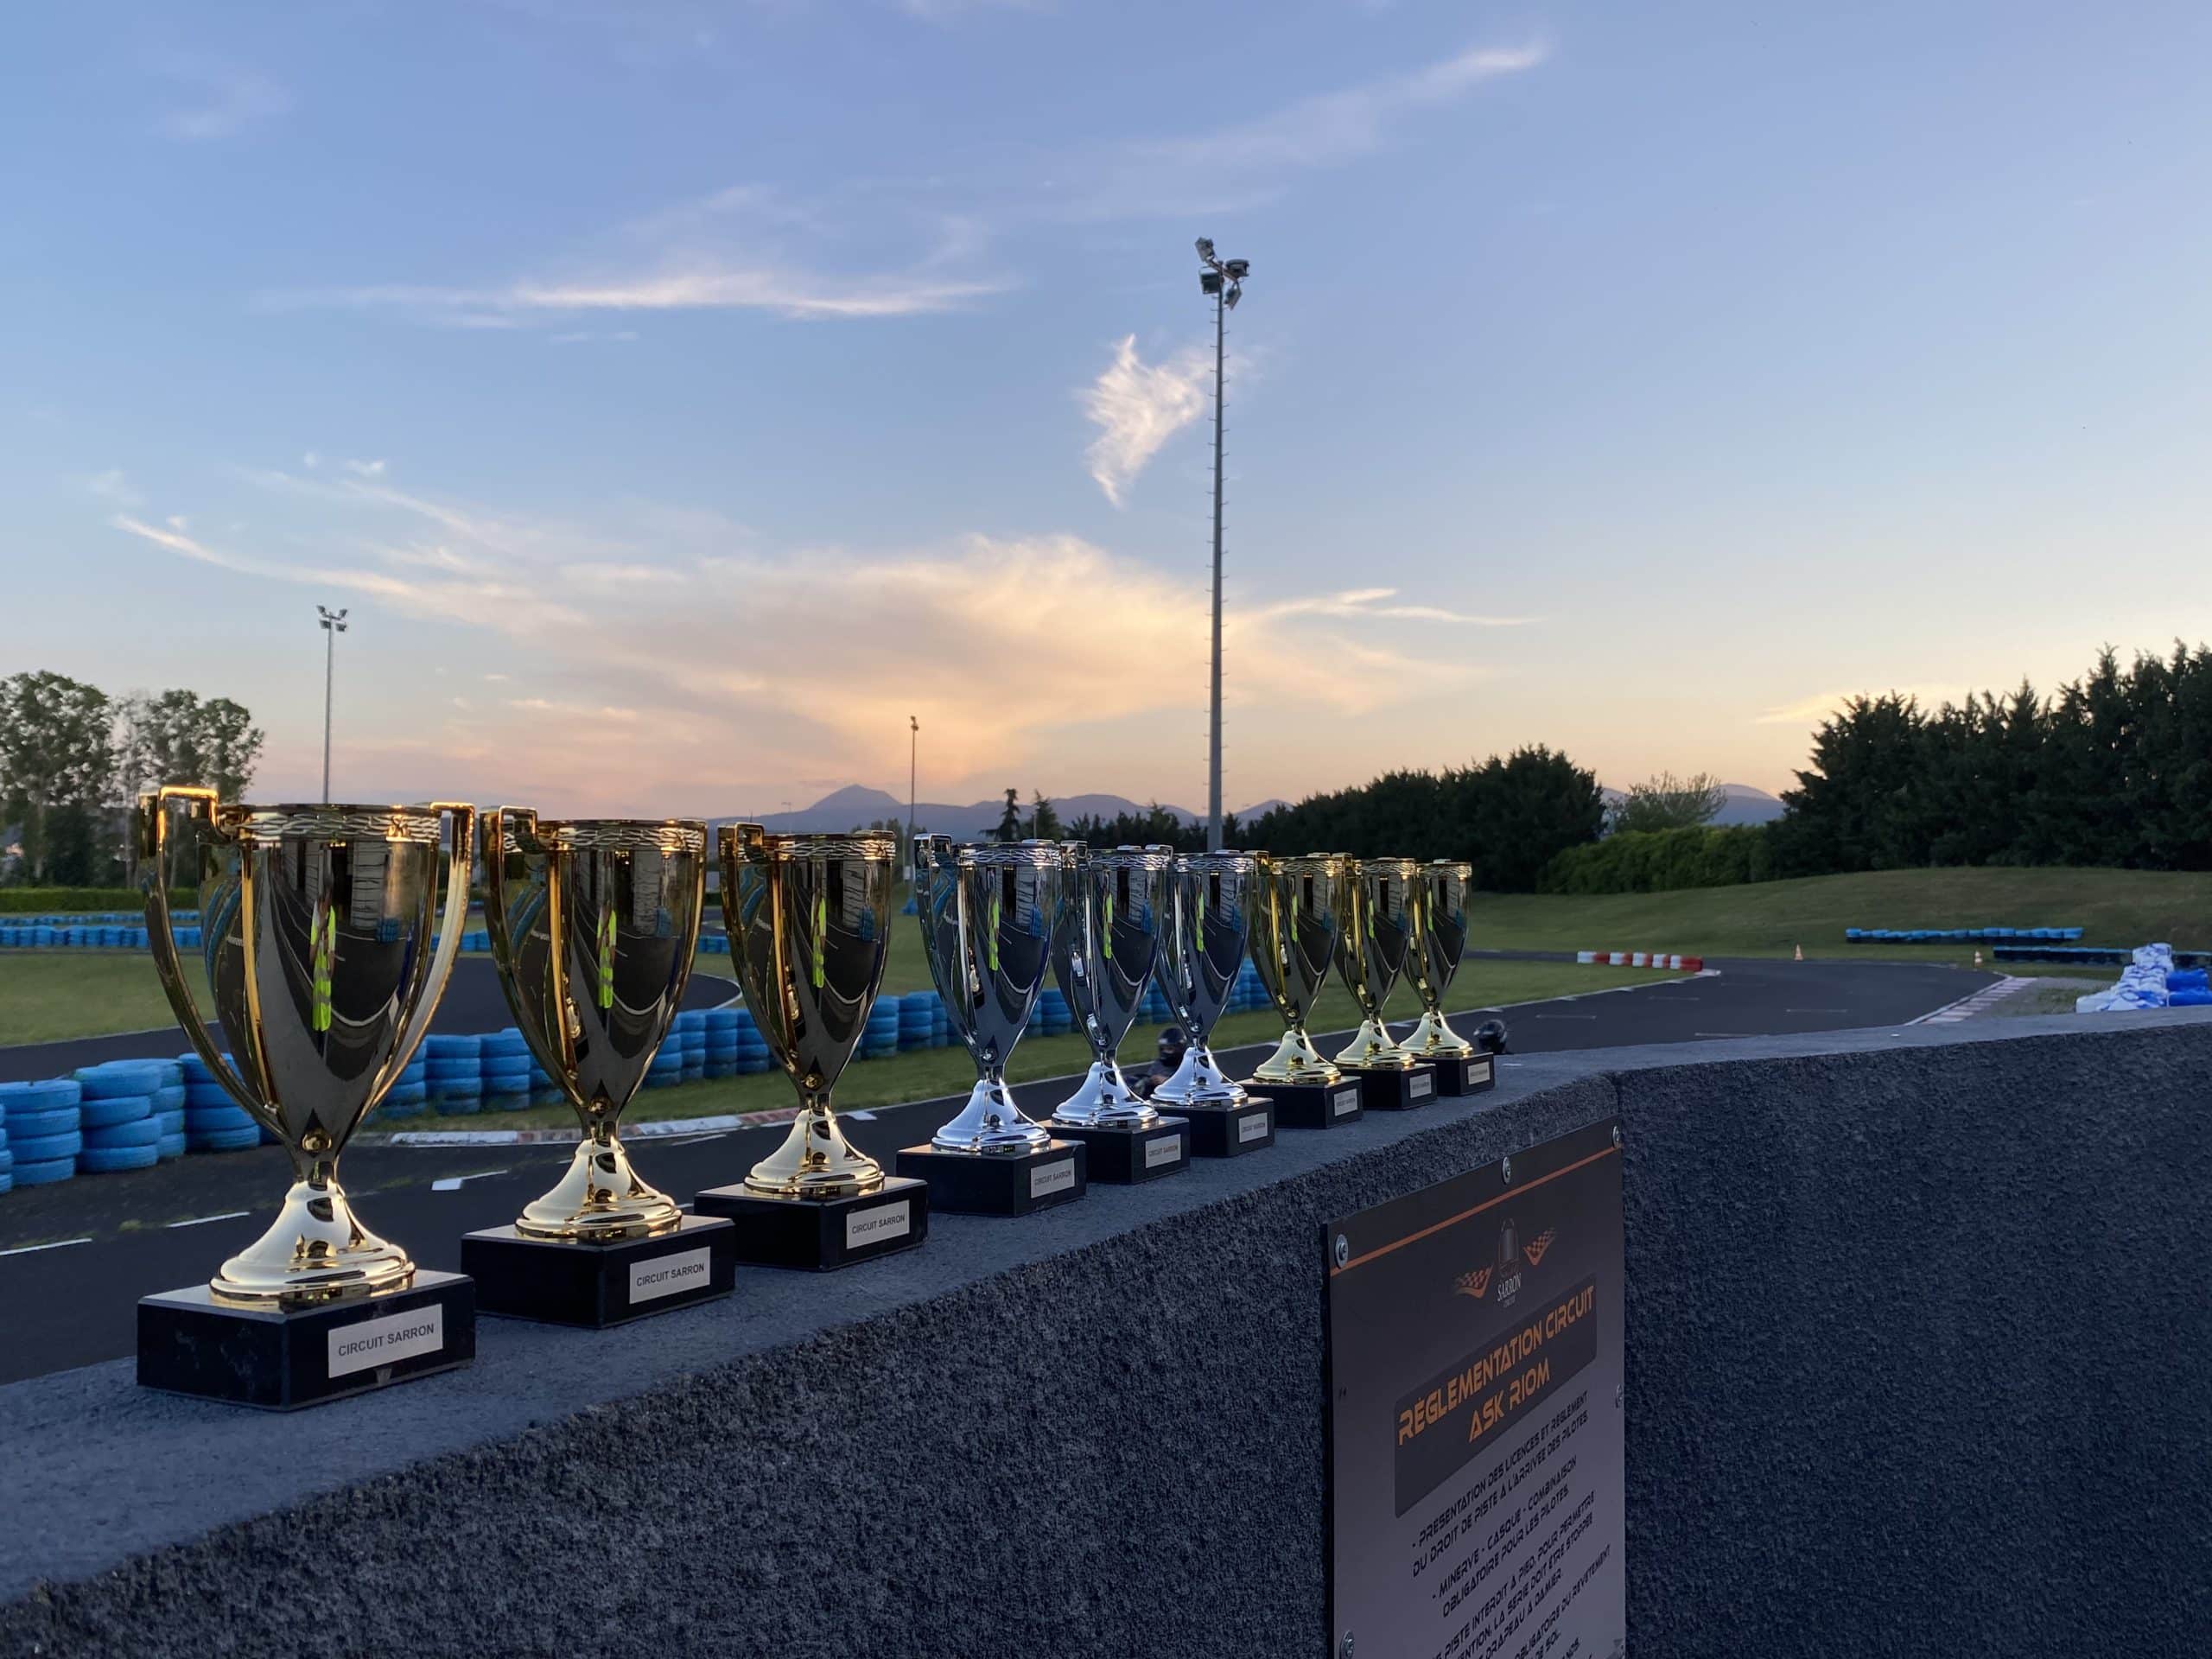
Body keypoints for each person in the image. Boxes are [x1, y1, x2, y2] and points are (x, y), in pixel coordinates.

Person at [1133, 1026, 1188, 1099]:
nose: (1165, 1052)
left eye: (1169, 1049)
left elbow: (1189, 1087)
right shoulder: (1158, 1065)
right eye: (1163, 1049)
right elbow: (1147, 1079)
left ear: (1180, 1048)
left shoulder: (1187, 1066)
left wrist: (1166, 1081)